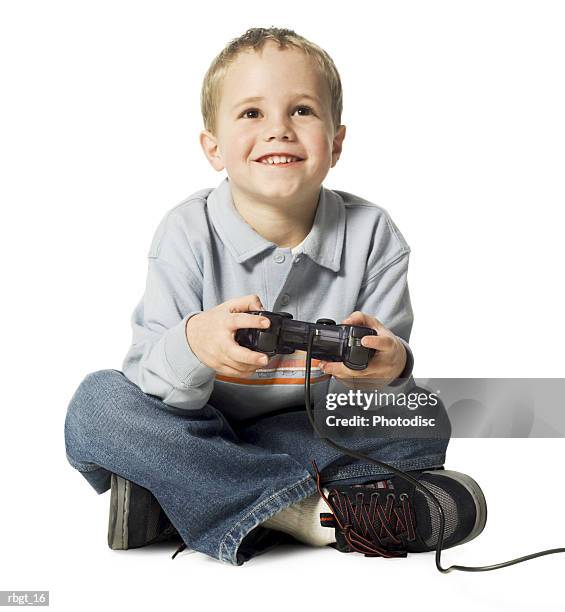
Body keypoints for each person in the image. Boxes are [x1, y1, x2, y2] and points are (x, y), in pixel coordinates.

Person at [64, 27, 487, 565]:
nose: (279, 131)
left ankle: (179, 495)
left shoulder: (373, 233)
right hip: (192, 422)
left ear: (335, 142)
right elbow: (149, 376)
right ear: (212, 148)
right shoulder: (187, 230)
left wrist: (388, 366)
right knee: (97, 406)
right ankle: (309, 515)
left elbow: (381, 380)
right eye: (251, 114)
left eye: (303, 111)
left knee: (424, 417)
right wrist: (194, 345)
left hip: (301, 431)